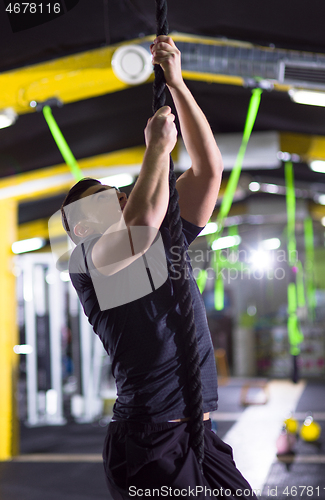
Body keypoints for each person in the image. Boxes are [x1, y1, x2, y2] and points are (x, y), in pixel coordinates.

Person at [61, 36, 257, 499]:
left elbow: (209, 171)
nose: (123, 196)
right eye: (111, 198)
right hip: (149, 440)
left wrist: (179, 85)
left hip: (199, 434)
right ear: (84, 227)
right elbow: (140, 225)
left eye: (123, 194)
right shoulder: (88, 261)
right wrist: (156, 150)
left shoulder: (162, 241)